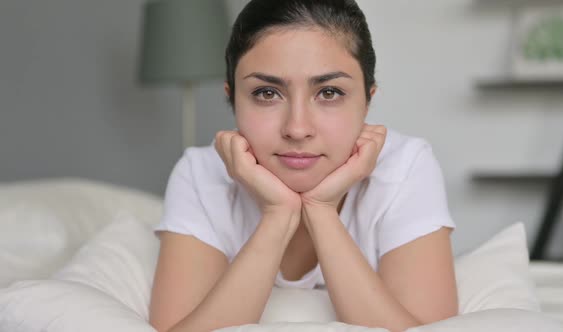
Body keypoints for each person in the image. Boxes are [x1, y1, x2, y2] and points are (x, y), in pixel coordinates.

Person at [149, 1, 458, 331]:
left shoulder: (406, 166)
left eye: (329, 92)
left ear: (368, 100)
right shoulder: (200, 173)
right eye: (267, 93)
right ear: (232, 98)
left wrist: (321, 210)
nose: (297, 129)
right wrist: (278, 215)